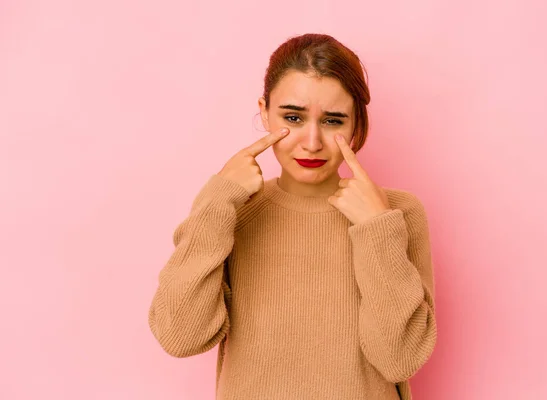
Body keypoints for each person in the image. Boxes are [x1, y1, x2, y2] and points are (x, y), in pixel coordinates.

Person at [148, 33, 437, 400]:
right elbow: (181, 336)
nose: (312, 141)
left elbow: (400, 359)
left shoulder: (397, 213)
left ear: (357, 124)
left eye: (333, 121)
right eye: (293, 117)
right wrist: (219, 200)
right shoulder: (230, 211)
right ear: (264, 111)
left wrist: (376, 229)